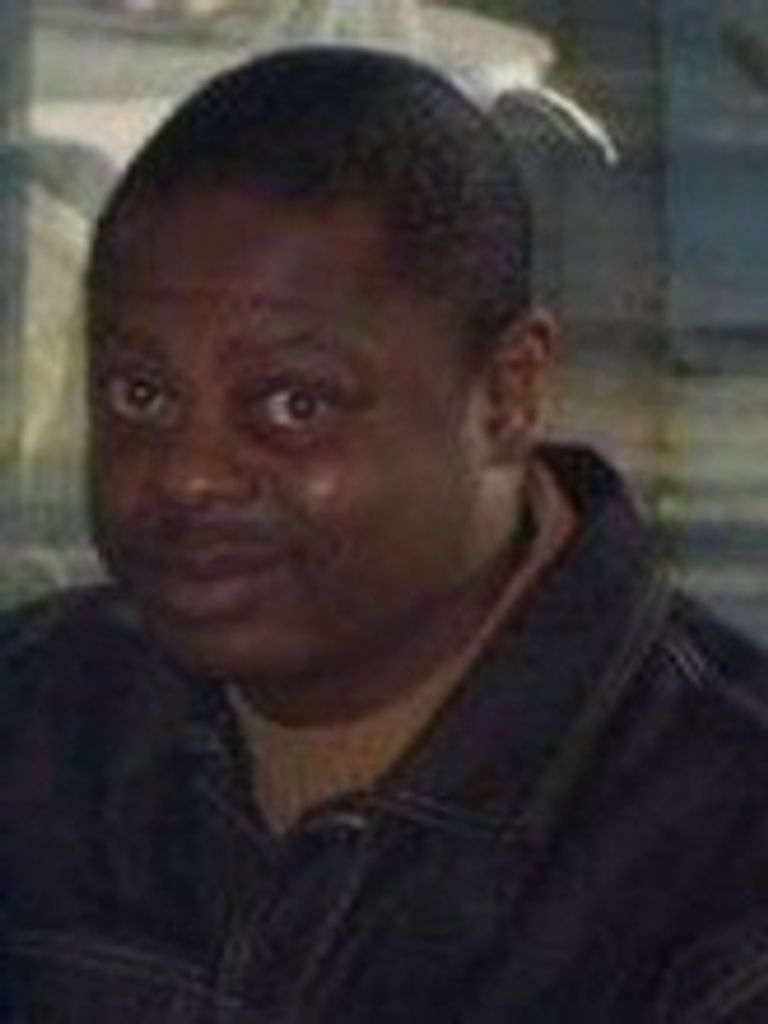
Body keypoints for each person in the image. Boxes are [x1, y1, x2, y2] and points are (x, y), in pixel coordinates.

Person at [2, 46, 768, 1023]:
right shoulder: (40, 717)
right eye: (141, 394)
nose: (187, 474)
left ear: (507, 395)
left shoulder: (723, 857)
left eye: (292, 404)